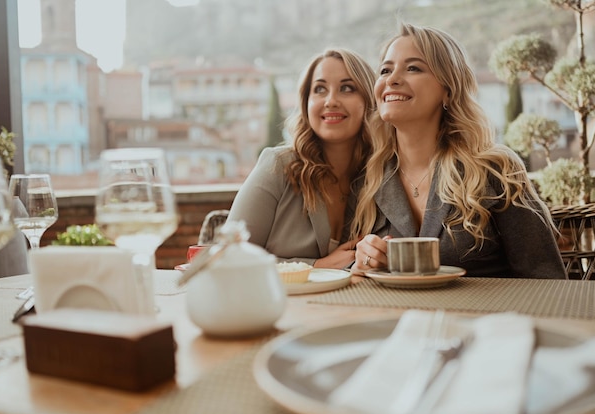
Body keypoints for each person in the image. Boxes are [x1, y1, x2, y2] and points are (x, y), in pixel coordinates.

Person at [349, 22, 566, 279]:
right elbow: (355, 281)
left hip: (489, 317)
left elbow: (546, 277)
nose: (392, 79)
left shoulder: (496, 169)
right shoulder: (368, 180)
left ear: (448, 91)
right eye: (385, 70)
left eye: (413, 68)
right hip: (400, 319)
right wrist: (360, 266)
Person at [227, 48, 376, 269]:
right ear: (306, 104)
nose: (331, 101)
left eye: (346, 88)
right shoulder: (277, 165)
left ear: (369, 99)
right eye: (320, 89)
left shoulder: (379, 176)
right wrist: (315, 266)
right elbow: (228, 256)